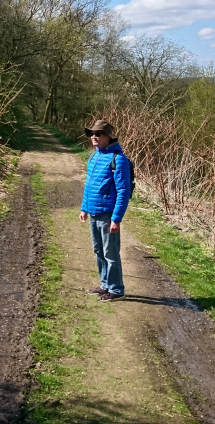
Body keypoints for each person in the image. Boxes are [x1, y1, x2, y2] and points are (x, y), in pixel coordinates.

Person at [79, 119, 132, 302]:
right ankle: (105, 285)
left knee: (111, 254)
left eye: (98, 133)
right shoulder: (94, 156)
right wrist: (84, 208)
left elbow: (123, 192)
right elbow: (89, 185)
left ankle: (117, 290)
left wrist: (116, 219)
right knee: (99, 251)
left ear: (108, 137)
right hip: (93, 213)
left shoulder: (119, 159)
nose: (94, 136)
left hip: (107, 214)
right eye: (92, 134)